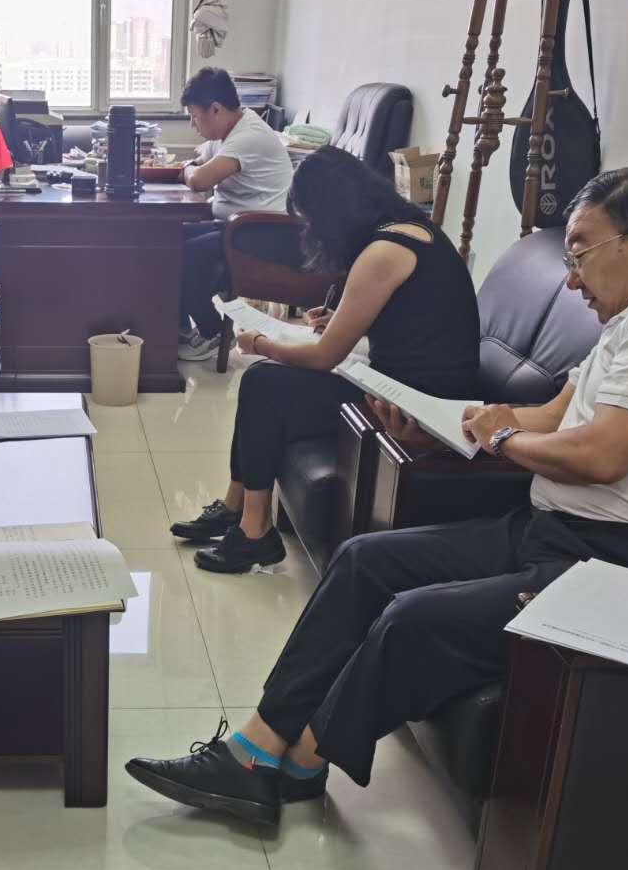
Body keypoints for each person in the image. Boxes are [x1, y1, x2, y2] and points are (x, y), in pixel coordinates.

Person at [128, 165, 628, 827]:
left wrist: (500, 438)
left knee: (413, 619)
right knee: (364, 561)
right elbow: (551, 415)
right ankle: (259, 750)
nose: (571, 280)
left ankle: (296, 760)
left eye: (580, 253)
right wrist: (457, 423)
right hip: (567, 537)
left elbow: (600, 455)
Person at [171, 145, 481, 573]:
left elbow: (323, 356)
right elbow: (415, 321)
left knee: (263, 380)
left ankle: (254, 533)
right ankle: (235, 507)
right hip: (411, 382)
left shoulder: (383, 251)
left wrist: (259, 343)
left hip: (416, 401)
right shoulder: (409, 229)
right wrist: (342, 319)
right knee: (268, 383)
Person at [176, 67, 297, 361]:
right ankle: (178, 328)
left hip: (264, 234)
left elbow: (199, 178)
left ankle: (215, 332)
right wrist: (191, 167)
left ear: (215, 109)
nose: (193, 124)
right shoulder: (228, 133)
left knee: (183, 254)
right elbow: (198, 161)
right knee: (168, 238)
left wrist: (188, 169)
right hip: (237, 228)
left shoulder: (248, 136)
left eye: (195, 116)